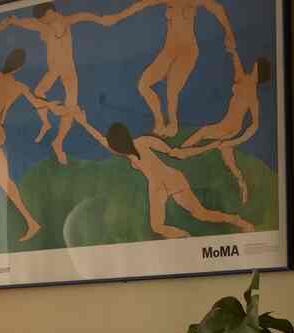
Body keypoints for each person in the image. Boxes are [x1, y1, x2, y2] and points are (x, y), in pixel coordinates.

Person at [0, 20, 69, 242]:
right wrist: (52, 107)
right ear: (19, 68)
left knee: (5, 185)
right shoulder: (16, 86)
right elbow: (38, 102)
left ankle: (31, 222)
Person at [77, 112, 253, 238]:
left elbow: (175, 152)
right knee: (157, 226)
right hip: (156, 187)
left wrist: (208, 146)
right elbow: (102, 140)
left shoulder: (143, 142)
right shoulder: (127, 152)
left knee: (201, 214)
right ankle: (185, 238)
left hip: (171, 180)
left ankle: (239, 221)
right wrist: (84, 123)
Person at [5, 2, 139, 164]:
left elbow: (85, 16)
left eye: (44, 20)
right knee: (39, 93)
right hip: (54, 70)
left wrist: (104, 19)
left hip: (68, 71)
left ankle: (58, 142)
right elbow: (34, 24)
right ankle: (47, 124)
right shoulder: (48, 25)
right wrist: (16, 21)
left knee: (69, 108)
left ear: (50, 13)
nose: (43, 23)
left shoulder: (64, 21)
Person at [124, 0, 236, 138]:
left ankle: (173, 125)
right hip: (168, 52)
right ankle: (159, 123)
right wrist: (116, 17)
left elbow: (217, 8)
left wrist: (229, 33)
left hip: (187, 52)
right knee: (143, 85)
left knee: (171, 90)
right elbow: (141, 4)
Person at [179, 55, 271, 203]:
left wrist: (235, 141)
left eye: (255, 65)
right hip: (228, 126)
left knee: (203, 133)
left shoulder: (252, 94)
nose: (253, 66)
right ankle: (243, 185)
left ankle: (179, 152)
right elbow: (238, 68)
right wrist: (233, 52)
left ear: (258, 70)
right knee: (229, 161)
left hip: (229, 128)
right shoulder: (245, 80)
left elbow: (255, 125)